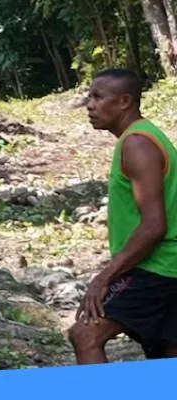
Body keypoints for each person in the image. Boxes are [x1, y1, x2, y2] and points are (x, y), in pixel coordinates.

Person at [69, 68, 177, 364]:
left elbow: (155, 225)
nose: (89, 105)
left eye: (98, 97)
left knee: (86, 334)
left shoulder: (137, 143)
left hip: (158, 266)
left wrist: (105, 277)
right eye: (89, 96)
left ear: (124, 102)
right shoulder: (141, 137)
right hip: (166, 265)